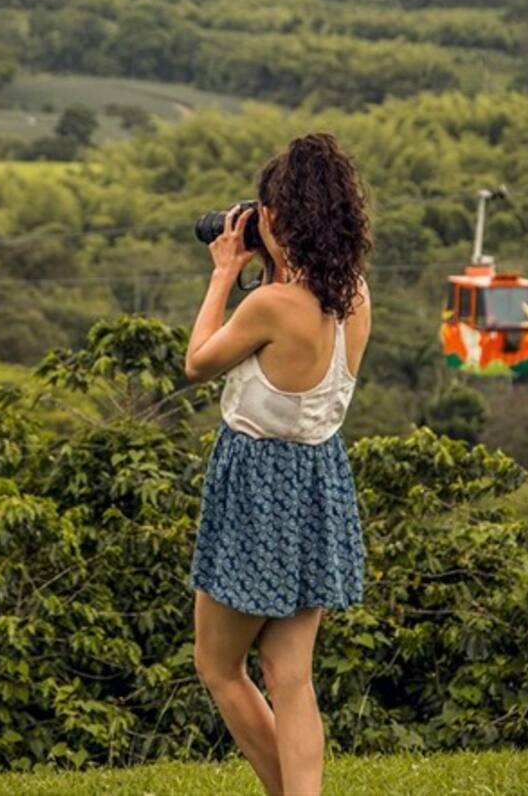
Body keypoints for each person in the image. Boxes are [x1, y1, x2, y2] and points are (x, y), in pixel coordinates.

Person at [183, 132, 372, 796]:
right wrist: (275, 263)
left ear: (274, 216)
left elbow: (198, 361)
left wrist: (223, 273)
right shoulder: (355, 296)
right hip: (319, 480)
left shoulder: (268, 306)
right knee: (291, 677)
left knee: (218, 665)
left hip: (257, 485)